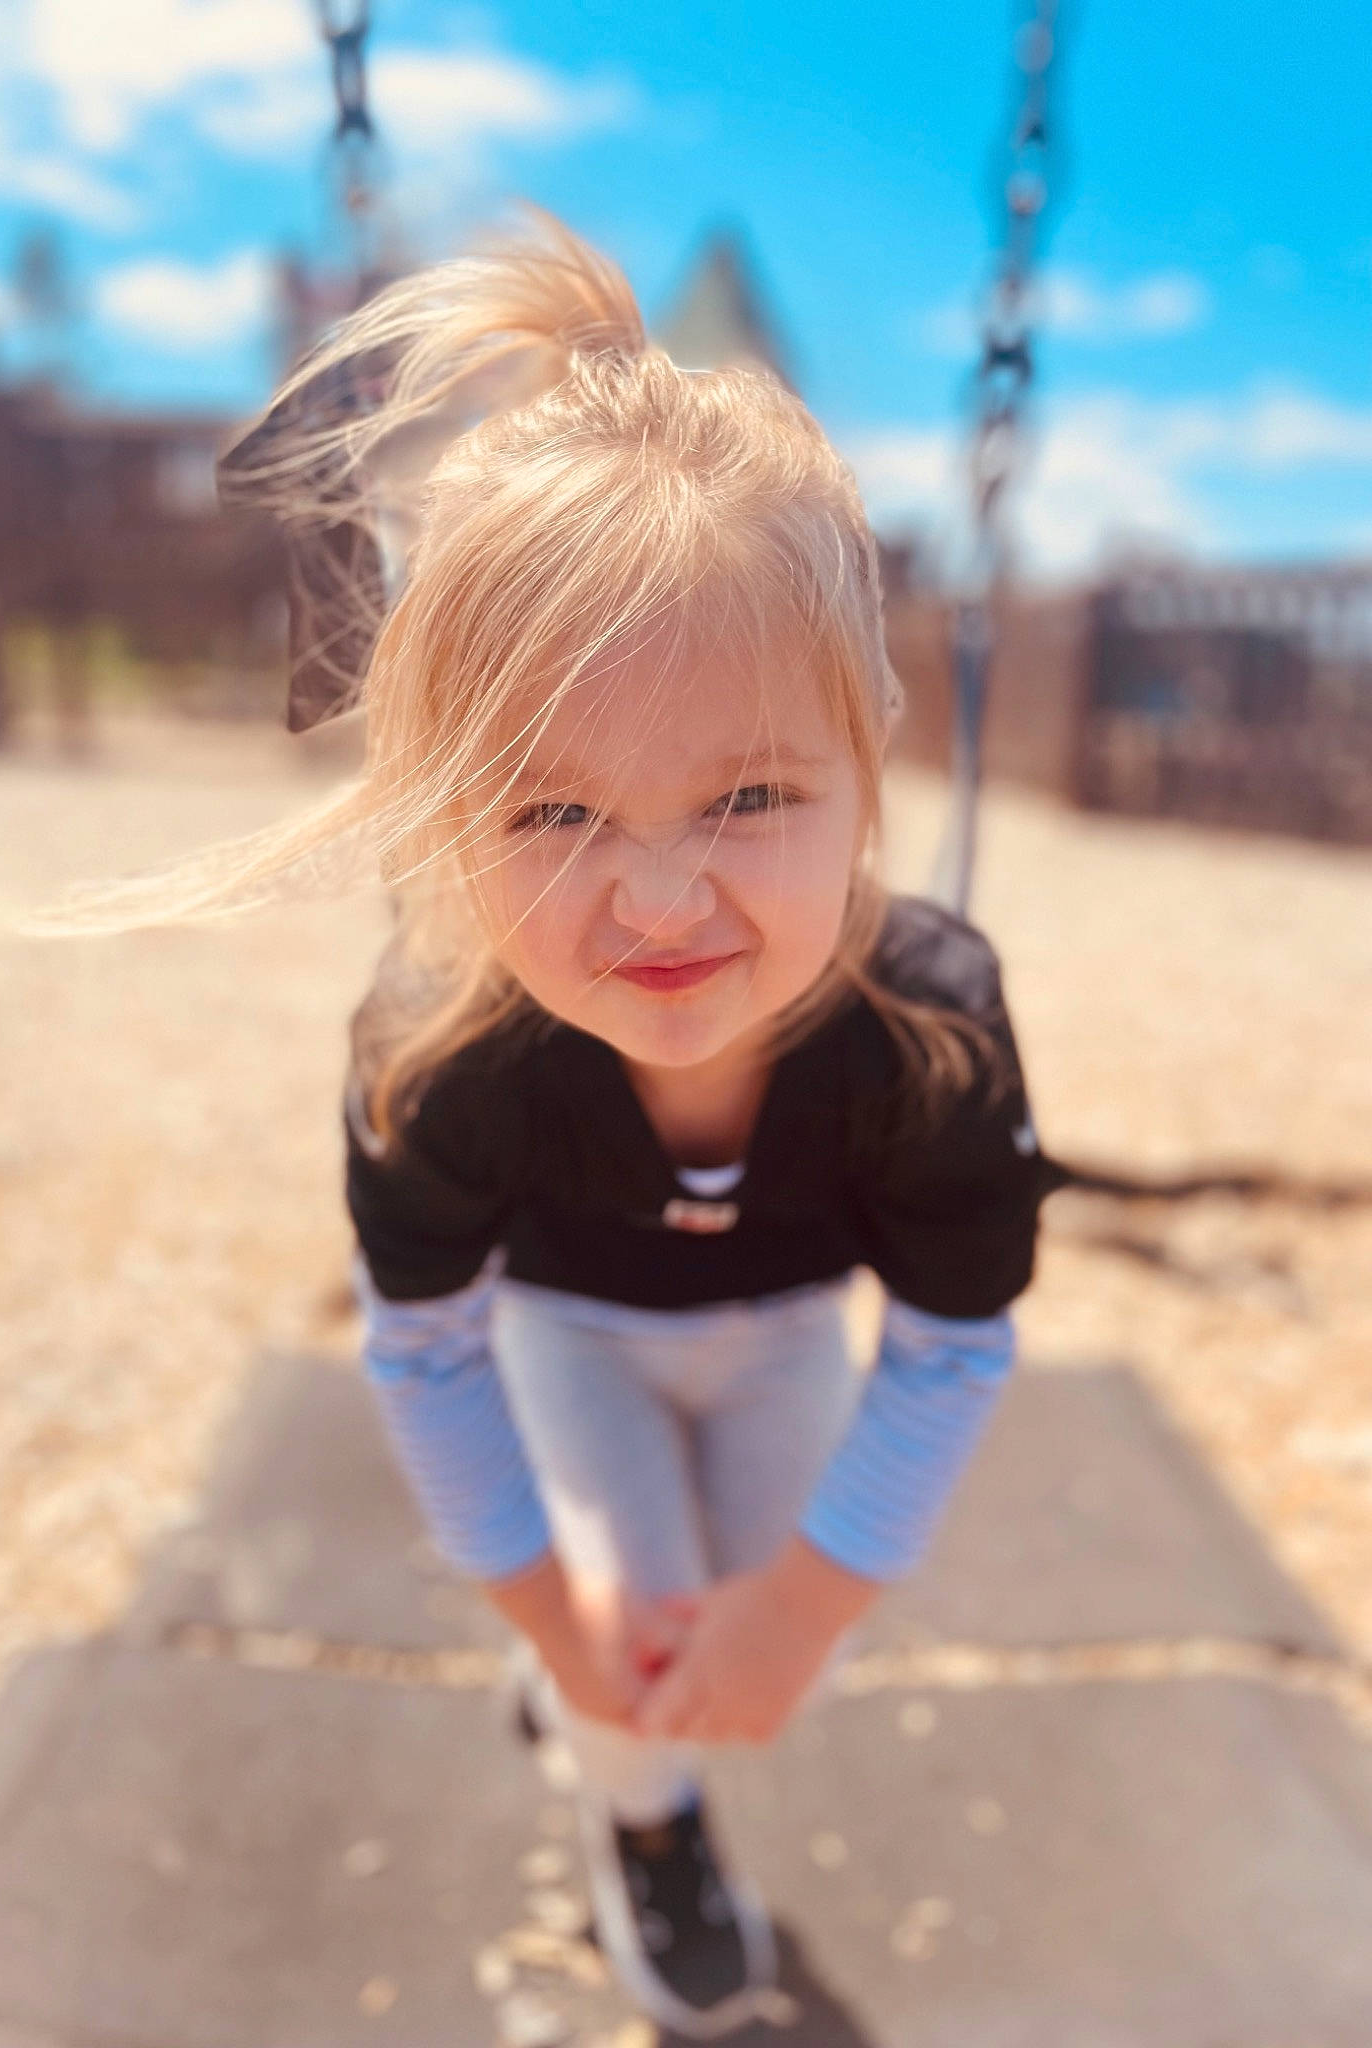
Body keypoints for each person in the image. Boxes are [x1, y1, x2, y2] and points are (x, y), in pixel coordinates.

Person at [205, 210, 1064, 2038]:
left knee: (768, 1643)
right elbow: (428, 1352)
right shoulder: (442, 1050)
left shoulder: (931, 1031)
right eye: (552, 813)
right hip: (569, 1330)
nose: (661, 900)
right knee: (631, 1641)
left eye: (749, 796)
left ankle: (630, 1717)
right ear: (451, 812)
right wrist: (550, 1614)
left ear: (868, 762)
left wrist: (805, 1607)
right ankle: (647, 1830)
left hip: (783, 1327)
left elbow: (948, 1349)